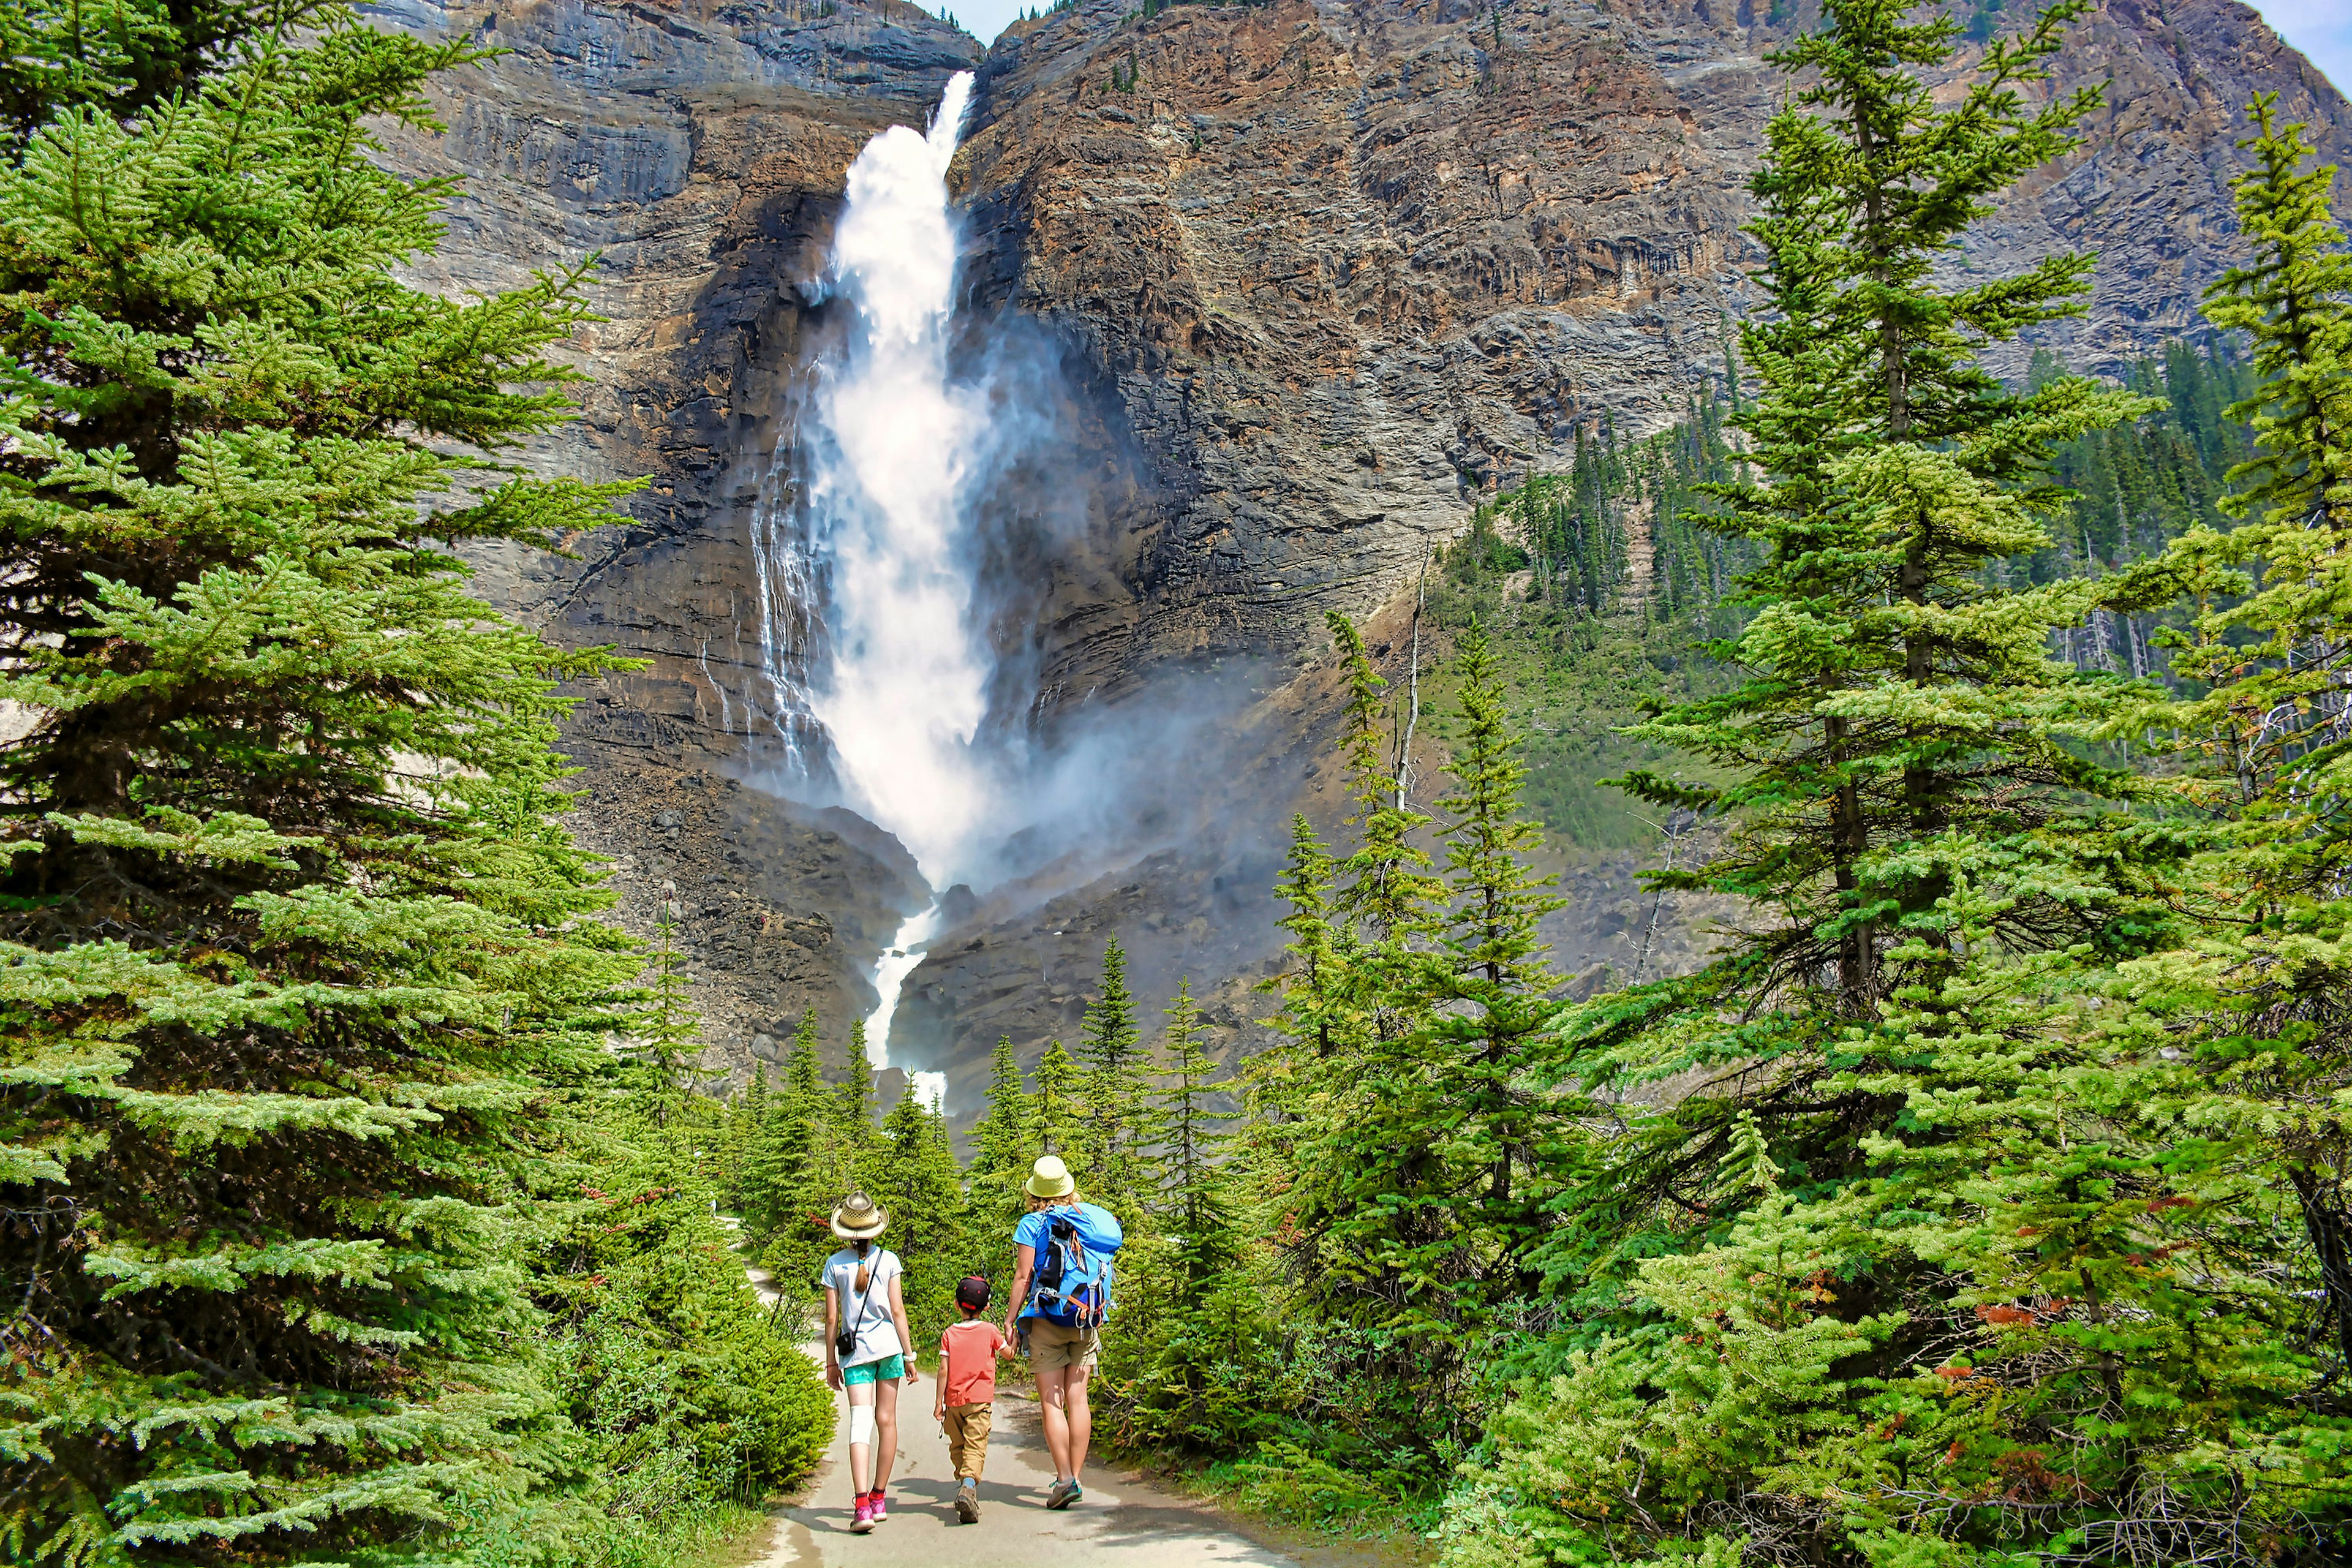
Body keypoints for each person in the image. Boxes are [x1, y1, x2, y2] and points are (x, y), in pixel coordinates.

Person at [1001, 1154, 1118, 1510]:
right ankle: (1077, 1478)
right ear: (1066, 1187)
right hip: (1085, 1319)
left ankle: (1065, 1478)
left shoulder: (1031, 1224)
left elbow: (1023, 1278)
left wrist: (1010, 1320)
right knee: (1078, 1399)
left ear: (1035, 1191)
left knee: (1052, 1402)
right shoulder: (1088, 1219)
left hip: (1047, 1321)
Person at [820, 1191, 917, 1533]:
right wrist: (909, 1355)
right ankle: (879, 1498)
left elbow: (832, 1320)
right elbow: (898, 1310)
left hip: (855, 1354)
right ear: (876, 1227)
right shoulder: (889, 1260)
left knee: (860, 1424)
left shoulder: (834, 1265)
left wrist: (832, 1362)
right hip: (889, 1350)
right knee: (887, 1421)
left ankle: (861, 1506)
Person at [933, 1274, 1011, 1523]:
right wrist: (1015, 1339)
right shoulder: (990, 1331)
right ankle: (968, 1486)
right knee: (976, 1445)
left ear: (957, 1304)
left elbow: (943, 1369)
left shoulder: (949, 1333)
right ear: (986, 1307)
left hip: (954, 1401)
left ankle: (965, 1485)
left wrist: (939, 1403)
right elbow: (1008, 1354)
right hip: (979, 1401)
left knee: (958, 1446)